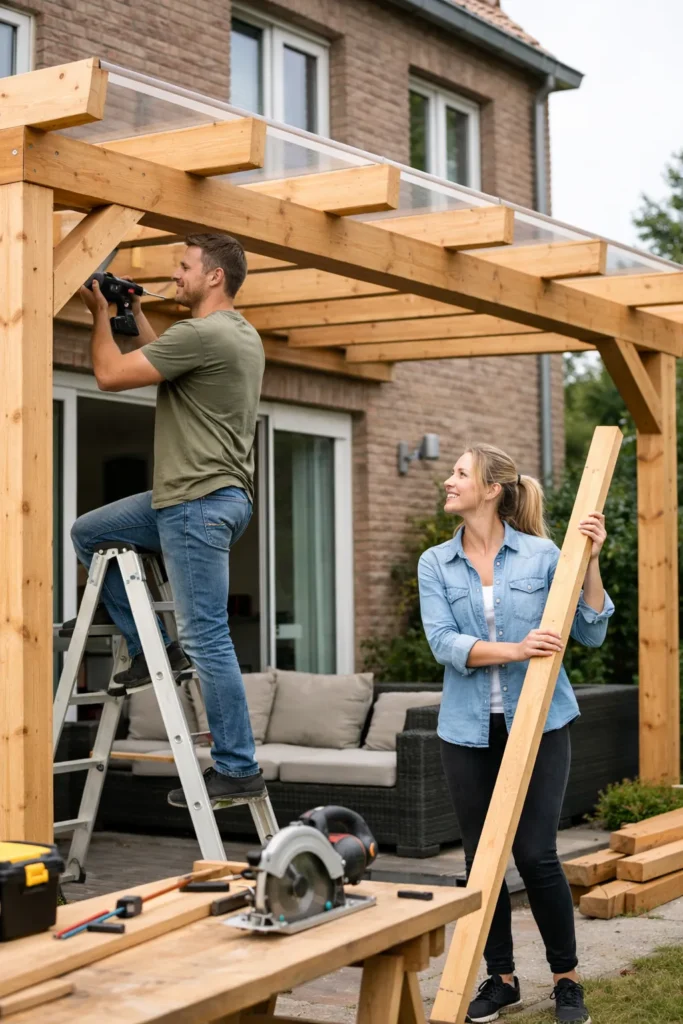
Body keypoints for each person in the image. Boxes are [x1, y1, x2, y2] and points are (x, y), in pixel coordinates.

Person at [418, 443, 613, 1024]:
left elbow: (592, 632)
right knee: (483, 861)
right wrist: (517, 649)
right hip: (466, 731)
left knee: (536, 854)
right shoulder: (436, 563)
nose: (448, 481)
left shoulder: (543, 555)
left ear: (492, 488)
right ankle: (500, 978)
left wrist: (592, 560)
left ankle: (566, 979)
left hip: (543, 722)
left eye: (459, 474)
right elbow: (443, 643)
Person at [71, 233, 266, 806]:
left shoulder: (204, 334)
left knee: (207, 636)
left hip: (194, 503)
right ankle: (153, 646)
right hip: (202, 499)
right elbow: (169, 364)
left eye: (183, 267)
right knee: (89, 532)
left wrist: (101, 315)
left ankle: (236, 766)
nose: (174, 274)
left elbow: (110, 374)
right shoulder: (236, 334)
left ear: (214, 277)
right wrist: (134, 315)